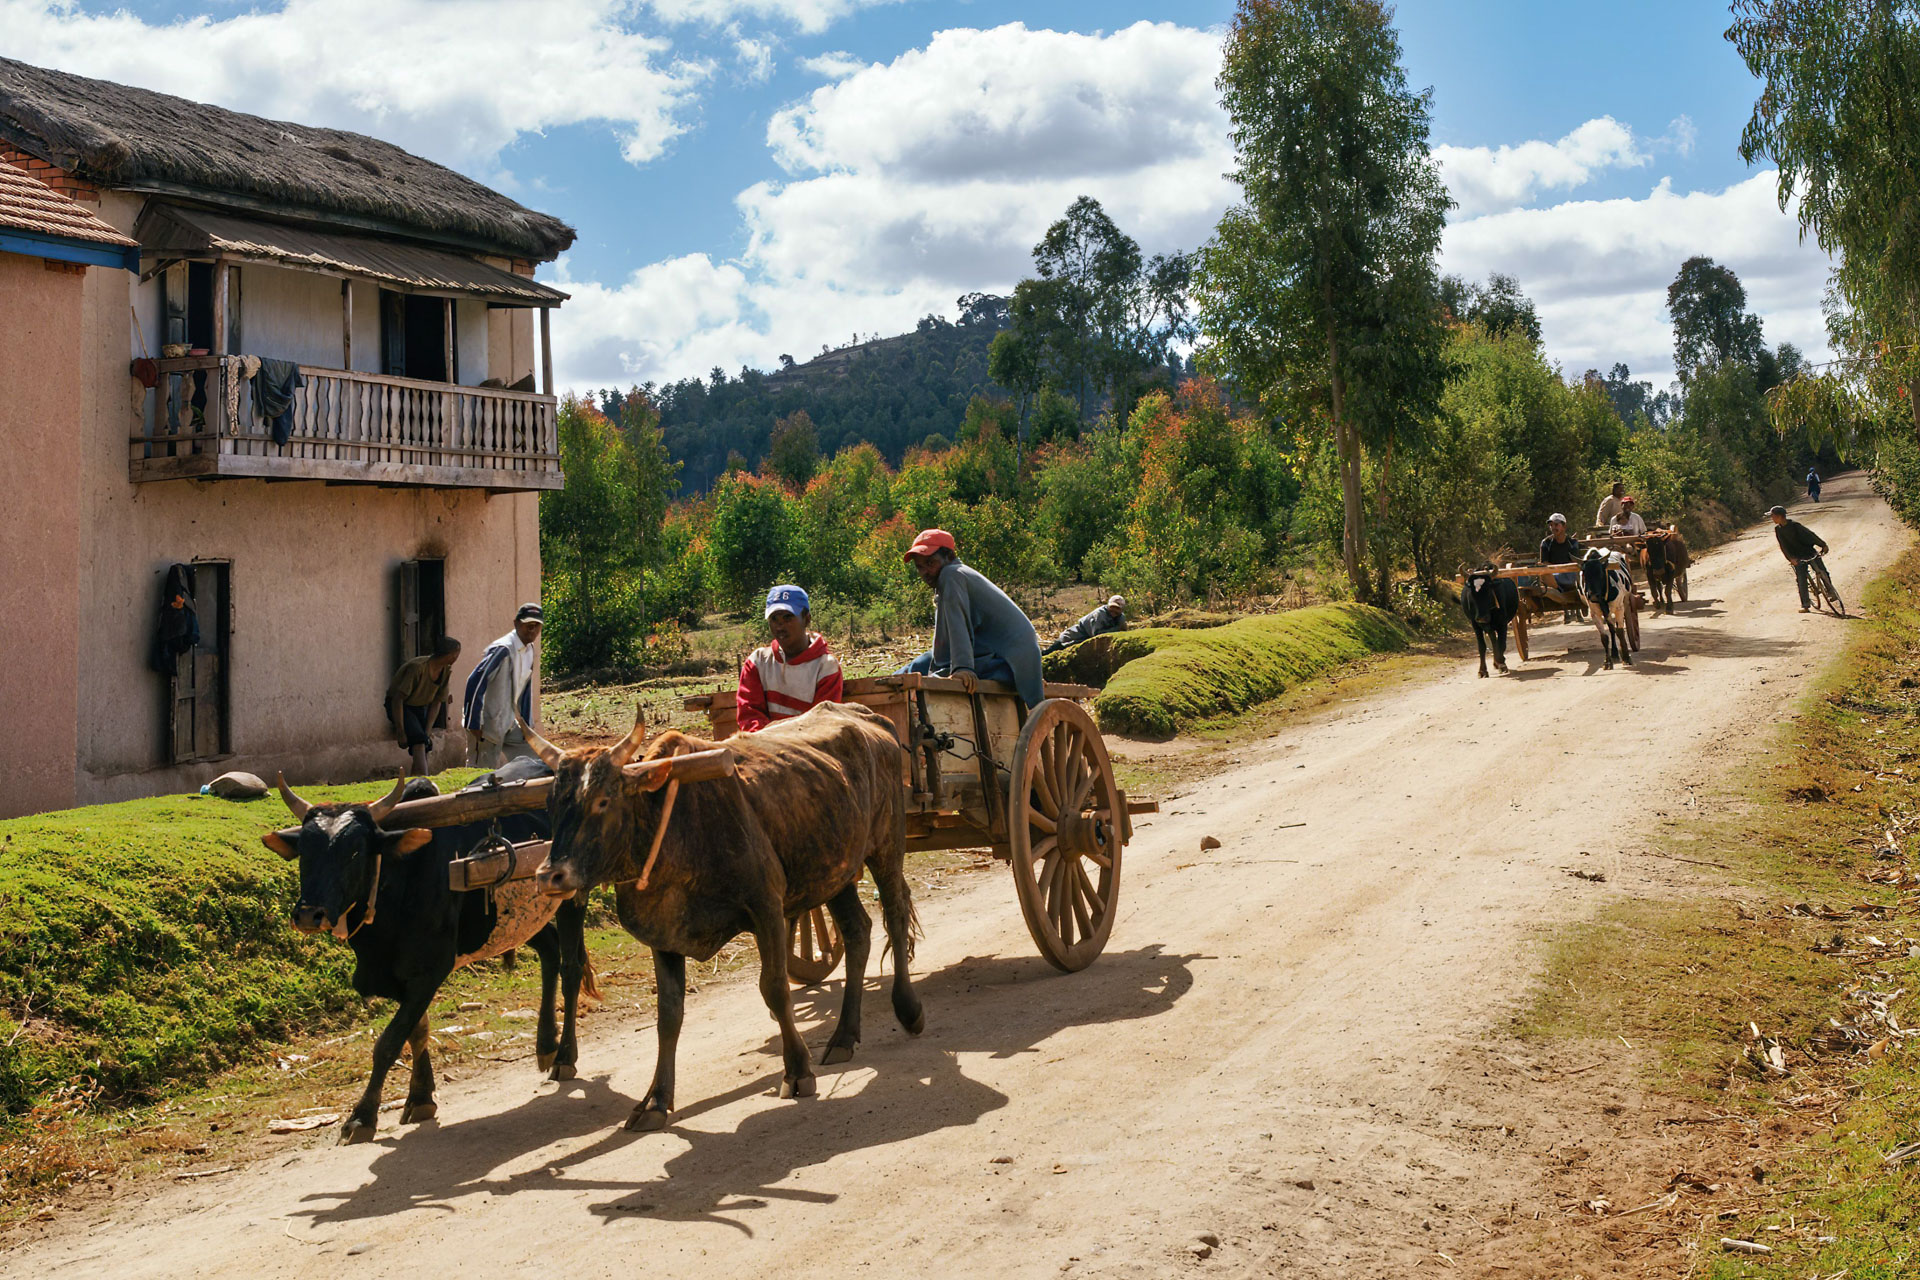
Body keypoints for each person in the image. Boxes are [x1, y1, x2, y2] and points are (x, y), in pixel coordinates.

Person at [896, 529, 1045, 709]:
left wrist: (962, 668)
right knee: (919, 665)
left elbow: (959, 626)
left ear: (950, 556)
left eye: (930, 563)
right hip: (990, 653)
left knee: (920, 671)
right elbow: (946, 641)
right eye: (920, 567)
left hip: (1006, 662)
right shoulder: (958, 575)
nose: (925, 572)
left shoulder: (952, 575)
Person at [737, 584, 844, 733]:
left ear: (806, 619)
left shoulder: (825, 666)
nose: (780, 625)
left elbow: (821, 723)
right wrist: (767, 742)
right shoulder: (758, 662)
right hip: (763, 746)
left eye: (788, 617)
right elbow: (750, 714)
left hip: (808, 748)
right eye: (774, 619)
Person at [462, 603, 543, 766]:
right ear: (516, 623)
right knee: (482, 770)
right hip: (486, 724)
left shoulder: (529, 650)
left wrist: (527, 726)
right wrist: (474, 723)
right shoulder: (503, 649)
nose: (532, 630)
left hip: (508, 721)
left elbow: (525, 689)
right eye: (528, 625)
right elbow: (475, 681)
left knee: (532, 762)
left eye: (537, 625)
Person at [386, 635, 461, 776]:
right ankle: (423, 781)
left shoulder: (445, 671)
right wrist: (400, 730)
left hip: (420, 706)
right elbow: (397, 699)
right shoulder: (418, 668)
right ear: (450, 654)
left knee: (424, 744)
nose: (457, 657)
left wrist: (428, 730)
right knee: (419, 742)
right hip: (402, 706)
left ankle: (415, 783)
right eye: (456, 653)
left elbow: (437, 701)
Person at [1769, 505, 1830, 612]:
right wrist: (1791, 559)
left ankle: (1831, 592)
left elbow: (1811, 535)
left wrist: (1823, 544)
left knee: (1822, 571)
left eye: (1773, 516)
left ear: (1779, 516)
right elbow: (1783, 546)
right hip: (1797, 557)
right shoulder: (1778, 530)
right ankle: (1805, 605)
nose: (1772, 518)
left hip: (1809, 552)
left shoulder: (1795, 526)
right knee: (1801, 579)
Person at [1042, 595, 1127, 655]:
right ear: (1108, 606)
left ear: (1122, 609)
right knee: (1047, 654)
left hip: (1082, 642)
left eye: (1117, 608)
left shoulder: (1121, 617)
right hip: (1070, 638)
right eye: (1113, 607)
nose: (1114, 611)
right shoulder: (1100, 614)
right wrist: (1117, 628)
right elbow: (1097, 635)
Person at [1537, 512, 1583, 592]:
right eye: (1551, 525)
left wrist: (1562, 569)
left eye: (1556, 525)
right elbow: (1544, 563)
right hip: (1553, 574)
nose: (1553, 528)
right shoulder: (1546, 543)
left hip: (1569, 574)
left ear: (1564, 526)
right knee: (1544, 574)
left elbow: (1574, 563)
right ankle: (1558, 591)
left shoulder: (1572, 543)